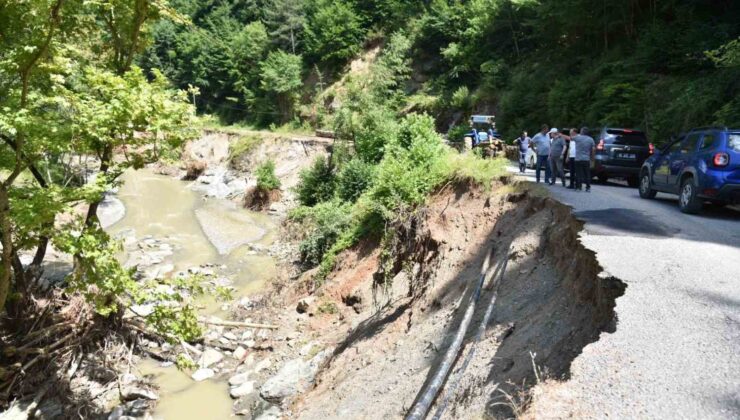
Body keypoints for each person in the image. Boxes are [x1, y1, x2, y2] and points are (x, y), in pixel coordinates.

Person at [573, 127, 595, 192]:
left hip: (578, 159)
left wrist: (561, 135)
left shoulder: (577, 137)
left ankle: (579, 187)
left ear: (582, 132)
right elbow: (593, 149)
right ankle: (588, 187)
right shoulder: (591, 139)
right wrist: (592, 158)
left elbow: (569, 138)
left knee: (578, 173)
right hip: (586, 159)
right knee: (587, 174)